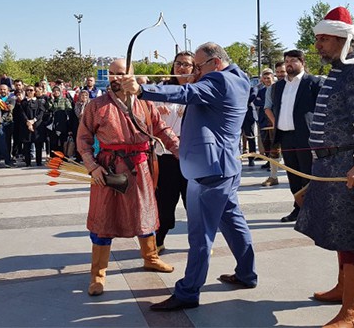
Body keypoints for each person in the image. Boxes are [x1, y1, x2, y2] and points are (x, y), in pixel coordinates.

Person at [121, 42, 257, 311]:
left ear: (216, 63)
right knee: (233, 222)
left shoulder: (218, 81)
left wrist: (141, 89)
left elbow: (186, 92)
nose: (195, 70)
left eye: (198, 66)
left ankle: (188, 292)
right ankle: (246, 273)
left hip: (210, 170)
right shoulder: (239, 77)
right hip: (224, 167)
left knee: (200, 235)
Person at [296, 6, 354, 328]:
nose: (318, 45)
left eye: (324, 39)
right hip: (330, 166)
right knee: (338, 232)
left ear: (342, 39)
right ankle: (341, 290)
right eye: (317, 39)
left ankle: (353, 312)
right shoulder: (339, 71)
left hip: (351, 167)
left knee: (353, 236)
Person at [76, 59, 179, 297]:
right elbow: (82, 140)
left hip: (141, 167)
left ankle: (150, 257)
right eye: (111, 74)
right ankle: (98, 273)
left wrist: (181, 151)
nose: (115, 78)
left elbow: (162, 129)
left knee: (146, 214)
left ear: (132, 75)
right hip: (109, 169)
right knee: (104, 221)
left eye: (120, 74)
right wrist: (93, 168)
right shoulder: (96, 106)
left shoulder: (145, 104)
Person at [271, 50, 324, 222]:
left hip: (305, 137)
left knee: (307, 174)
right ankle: (298, 208)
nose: (288, 64)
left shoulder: (314, 83)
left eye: (293, 60)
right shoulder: (278, 86)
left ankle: (313, 210)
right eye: (286, 61)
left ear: (302, 62)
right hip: (286, 136)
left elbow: (323, 110)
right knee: (292, 176)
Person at [154, 51, 193, 253]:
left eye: (187, 64)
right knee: (164, 203)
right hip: (166, 156)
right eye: (178, 63)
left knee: (193, 202)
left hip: (191, 156)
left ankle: (200, 242)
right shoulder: (162, 89)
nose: (182, 67)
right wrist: (155, 113)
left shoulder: (197, 90)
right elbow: (146, 116)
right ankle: (158, 241)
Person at [262, 62, 287, 187]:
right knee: (274, 151)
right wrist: (275, 122)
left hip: (297, 127)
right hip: (276, 125)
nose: (280, 74)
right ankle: (273, 176)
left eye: (282, 72)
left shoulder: (297, 86)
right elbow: (267, 108)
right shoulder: (272, 89)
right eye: (278, 72)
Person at [19, 86, 47, 167]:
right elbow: (22, 113)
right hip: (26, 126)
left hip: (37, 126)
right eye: (27, 90)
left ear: (34, 91)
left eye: (31, 90)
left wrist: (33, 121)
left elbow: (41, 113)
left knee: (38, 145)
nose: (29, 92)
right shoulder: (23, 102)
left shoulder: (38, 102)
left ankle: (39, 161)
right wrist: (28, 122)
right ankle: (28, 162)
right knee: (27, 145)